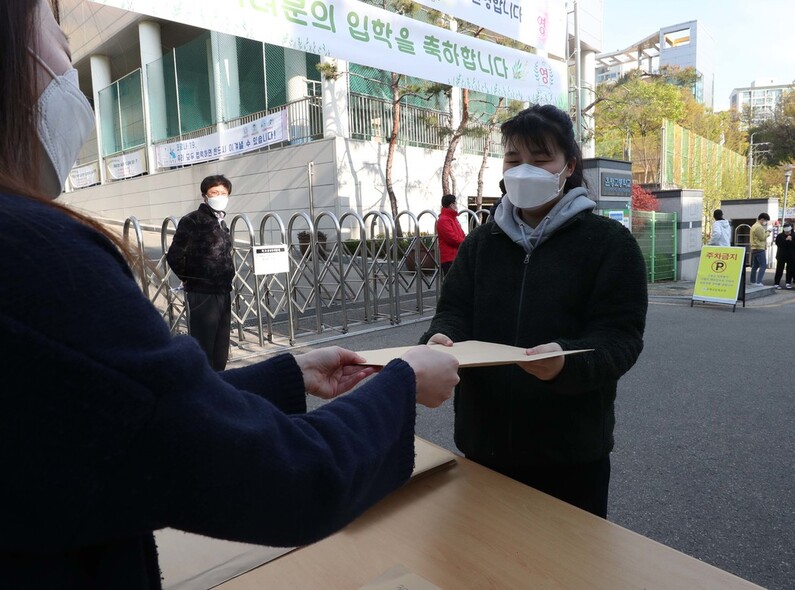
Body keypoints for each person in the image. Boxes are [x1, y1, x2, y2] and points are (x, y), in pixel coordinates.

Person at [0, 2, 461, 587]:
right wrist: (402, 380)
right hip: (203, 293)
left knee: (208, 355)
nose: (68, 56)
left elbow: (144, 410)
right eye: (55, 30)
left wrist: (287, 376)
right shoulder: (37, 258)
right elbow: (286, 476)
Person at [419, 104, 648, 518]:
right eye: (513, 159)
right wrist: (439, 339)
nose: (525, 170)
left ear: (568, 166)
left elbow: (621, 337)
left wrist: (566, 364)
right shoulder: (481, 243)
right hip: (482, 443)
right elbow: (452, 312)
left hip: (570, 454)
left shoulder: (608, 244)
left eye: (541, 159)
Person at [167, 174, 236, 370]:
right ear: (205, 195)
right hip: (203, 292)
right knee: (204, 346)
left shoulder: (221, 221)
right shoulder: (193, 220)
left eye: (223, 193)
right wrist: (192, 279)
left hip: (223, 290)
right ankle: (204, 387)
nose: (219, 196)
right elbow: (174, 255)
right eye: (214, 192)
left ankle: (219, 383)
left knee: (220, 346)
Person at [435, 193, 466, 276]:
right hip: (449, 259)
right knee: (453, 285)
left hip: (456, 256)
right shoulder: (444, 220)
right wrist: (465, 242)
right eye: (455, 203)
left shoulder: (453, 218)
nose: (457, 205)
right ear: (451, 205)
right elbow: (452, 238)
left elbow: (461, 234)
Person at [773, 222, 795, 289]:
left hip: (791, 256)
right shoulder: (780, 236)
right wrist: (785, 240)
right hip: (781, 255)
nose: (787, 233)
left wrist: (790, 241)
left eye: (788, 232)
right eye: (786, 232)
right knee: (779, 269)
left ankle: (788, 283)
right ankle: (776, 283)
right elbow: (778, 244)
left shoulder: (794, 236)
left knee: (790, 270)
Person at [749, 212, 770, 286]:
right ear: (762, 219)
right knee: (763, 266)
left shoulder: (754, 226)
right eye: (766, 220)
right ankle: (758, 282)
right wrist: (768, 232)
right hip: (759, 248)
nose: (766, 222)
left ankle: (753, 281)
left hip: (754, 248)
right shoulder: (759, 227)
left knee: (755, 266)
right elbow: (762, 237)